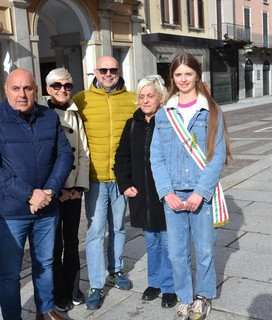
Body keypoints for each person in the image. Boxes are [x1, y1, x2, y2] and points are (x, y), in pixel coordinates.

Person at [150, 53, 232, 320]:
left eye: (188, 73)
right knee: (177, 252)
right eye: (178, 75)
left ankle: (203, 296)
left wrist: (200, 192)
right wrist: (166, 192)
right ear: (172, 78)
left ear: (197, 75)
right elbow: (157, 156)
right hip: (173, 194)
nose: (183, 79)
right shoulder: (164, 114)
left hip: (201, 194)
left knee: (205, 250)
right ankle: (185, 298)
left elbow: (218, 155)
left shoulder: (211, 111)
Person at [0, 69, 74, 320]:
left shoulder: (48, 117)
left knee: (46, 263)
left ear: (35, 90)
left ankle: (45, 310)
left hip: (46, 209)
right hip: (10, 212)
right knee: (9, 273)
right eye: (16, 88)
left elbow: (64, 154)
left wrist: (50, 191)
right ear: (6, 90)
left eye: (27, 88)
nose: (22, 94)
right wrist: (30, 195)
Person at [72, 56, 136, 310]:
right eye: (103, 70)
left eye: (112, 70)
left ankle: (116, 270)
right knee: (96, 230)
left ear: (118, 71)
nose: (108, 74)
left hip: (121, 178)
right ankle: (96, 284)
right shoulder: (81, 100)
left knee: (119, 227)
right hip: (95, 178)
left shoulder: (131, 99)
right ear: (95, 72)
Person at [114, 75, 177, 309]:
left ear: (160, 97)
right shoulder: (132, 125)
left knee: (169, 243)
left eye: (150, 96)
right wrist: (125, 183)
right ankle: (155, 283)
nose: (146, 100)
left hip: (165, 194)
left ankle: (170, 286)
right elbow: (122, 158)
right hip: (142, 196)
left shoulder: (169, 121)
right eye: (142, 96)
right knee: (151, 241)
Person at [41, 68, 90, 312]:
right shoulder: (41, 115)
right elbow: (42, 158)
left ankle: (73, 287)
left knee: (72, 241)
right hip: (53, 191)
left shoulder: (75, 114)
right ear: (48, 89)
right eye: (57, 86)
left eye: (67, 86)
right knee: (54, 245)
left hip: (74, 191)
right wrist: (55, 189)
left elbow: (82, 152)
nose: (63, 90)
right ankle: (58, 292)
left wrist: (79, 186)